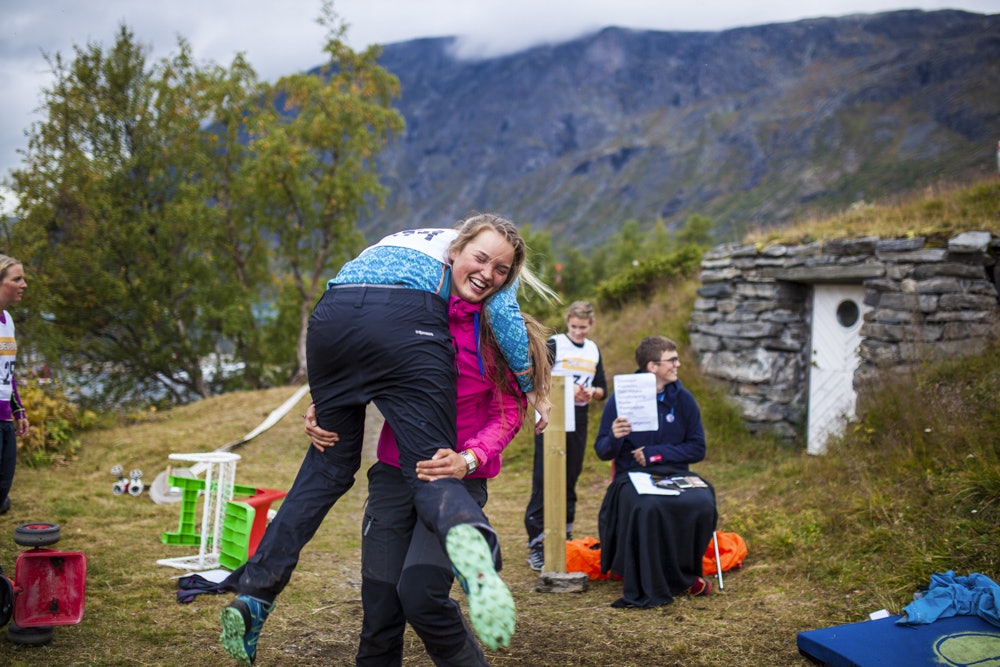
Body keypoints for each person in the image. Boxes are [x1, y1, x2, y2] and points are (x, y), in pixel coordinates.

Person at [220, 215, 552, 666]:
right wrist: (329, 399)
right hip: (395, 468)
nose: (490, 276)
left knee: (419, 589)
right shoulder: (425, 317)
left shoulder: (497, 328)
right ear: (455, 251)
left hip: (445, 465)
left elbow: (509, 409)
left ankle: (258, 593)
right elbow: (382, 359)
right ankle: (474, 549)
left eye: (501, 272)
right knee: (380, 608)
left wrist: (471, 457)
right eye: (481, 260)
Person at [594, 336, 717, 608]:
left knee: (702, 500)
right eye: (672, 360)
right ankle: (655, 577)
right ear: (652, 366)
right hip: (631, 478)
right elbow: (602, 450)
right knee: (648, 506)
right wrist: (614, 436)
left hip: (675, 473)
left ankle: (685, 571)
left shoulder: (683, 400)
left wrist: (656, 453)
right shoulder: (621, 398)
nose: (678, 364)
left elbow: (698, 448)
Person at [523, 301, 606, 571]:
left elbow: (602, 388)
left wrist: (590, 393)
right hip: (553, 416)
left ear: (591, 325)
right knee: (545, 478)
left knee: (571, 475)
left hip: (579, 418)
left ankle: (565, 535)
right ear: (567, 322)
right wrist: (565, 392)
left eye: (583, 328)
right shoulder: (556, 343)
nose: (579, 332)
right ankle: (537, 541)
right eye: (574, 327)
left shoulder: (593, 350)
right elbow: (537, 376)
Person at [0, 255, 29, 516]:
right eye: (16, 279)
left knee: (2, 491)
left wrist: (18, 410)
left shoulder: (7, 320)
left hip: (5, 418)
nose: (24, 284)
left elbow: (7, 371)